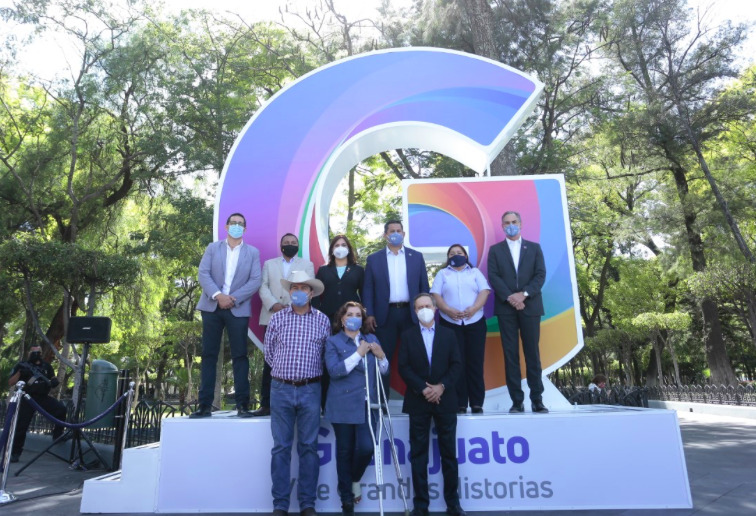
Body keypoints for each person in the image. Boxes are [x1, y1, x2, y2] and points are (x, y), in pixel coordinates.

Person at [264, 270, 330, 516]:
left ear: (311, 293)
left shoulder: (322, 320)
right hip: (281, 389)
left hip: (311, 389)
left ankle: (307, 504)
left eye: (303, 288)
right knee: (281, 447)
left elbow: (325, 356)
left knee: (309, 448)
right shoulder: (278, 319)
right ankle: (280, 505)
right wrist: (285, 375)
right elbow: (269, 353)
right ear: (289, 291)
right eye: (294, 288)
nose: (299, 292)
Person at [398, 294, 465, 516]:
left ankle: (453, 504)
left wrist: (441, 387)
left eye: (427, 305)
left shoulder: (449, 334)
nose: (424, 310)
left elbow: (456, 365)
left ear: (435, 308)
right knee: (419, 455)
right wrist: (424, 389)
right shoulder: (407, 335)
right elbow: (403, 367)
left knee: (449, 454)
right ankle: (420, 505)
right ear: (415, 311)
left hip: (445, 400)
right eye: (420, 307)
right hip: (418, 401)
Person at [192, 212, 262, 418]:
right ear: (226, 226)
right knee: (208, 355)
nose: (236, 226)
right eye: (233, 223)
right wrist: (218, 295)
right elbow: (203, 273)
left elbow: (255, 280)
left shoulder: (252, 252)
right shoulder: (213, 248)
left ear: (245, 229)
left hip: (237, 309)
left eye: (240, 224)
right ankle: (204, 405)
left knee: (240, 356)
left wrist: (232, 298)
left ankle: (242, 405)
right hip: (211, 307)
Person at [324, 301, 388, 516]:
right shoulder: (333, 342)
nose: (354, 318)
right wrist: (358, 353)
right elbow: (335, 371)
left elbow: (384, 370)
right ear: (342, 319)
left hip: (367, 404)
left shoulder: (371, 339)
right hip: (342, 404)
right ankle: (346, 500)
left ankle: (353, 480)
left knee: (367, 447)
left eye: (358, 315)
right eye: (349, 314)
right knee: (344, 451)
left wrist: (381, 356)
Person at [487, 210, 548, 414]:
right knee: (510, 355)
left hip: (531, 306)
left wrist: (524, 295)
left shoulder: (534, 248)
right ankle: (517, 401)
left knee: (533, 354)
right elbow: (494, 277)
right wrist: (511, 298)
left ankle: (537, 400)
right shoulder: (495, 250)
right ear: (502, 226)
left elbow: (540, 275)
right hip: (506, 308)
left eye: (514, 221)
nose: (510, 225)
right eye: (506, 222)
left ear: (520, 224)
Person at [363, 220, 429, 395]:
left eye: (398, 230)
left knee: (415, 358)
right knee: (383, 358)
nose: (395, 233)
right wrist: (369, 314)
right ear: (385, 235)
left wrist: (425, 311)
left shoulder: (416, 257)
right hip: (384, 316)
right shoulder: (374, 259)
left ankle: (418, 400)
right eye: (391, 231)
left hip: (411, 315)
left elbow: (424, 286)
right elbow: (368, 289)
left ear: (404, 234)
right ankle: (383, 402)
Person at [253, 232, 314, 417]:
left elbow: (308, 288)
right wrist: (274, 304)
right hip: (272, 315)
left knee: (296, 359)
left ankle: (296, 403)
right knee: (270, 361)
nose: (290, 244)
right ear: (281, 246)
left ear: (298, 245)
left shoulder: (307, 265)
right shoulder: (269, 264)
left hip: (297, 318)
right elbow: (263, 286)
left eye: (293, 242)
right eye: (286, 242)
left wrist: (293, 306)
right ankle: (266, 404)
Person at [430, 244, 490, 414]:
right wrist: (447, 310)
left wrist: (474, 308)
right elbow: (435, 295)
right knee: (456, 363)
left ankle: (477, 403)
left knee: (475, 362)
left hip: (475, 322)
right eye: (452, 253)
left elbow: (484, 291)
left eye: (459, 252)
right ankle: (460, 403)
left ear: (465, 255)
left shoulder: (475, 272)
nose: (455, 255)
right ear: (448, 257)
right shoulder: (442, 274)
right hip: (450, 323)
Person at [7, 344, 67, 463]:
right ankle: (15, 453)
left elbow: (53, 378)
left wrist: (54, 381)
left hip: (42, 398)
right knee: (21, 427)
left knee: (61, 409)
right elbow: (10, 382)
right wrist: (20, 373)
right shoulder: (22, 365)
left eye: (38, 352)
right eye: (33, 352)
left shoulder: (46, 366)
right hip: (27, 398)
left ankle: (57, 435)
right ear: (29, 353)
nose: (36, 355)